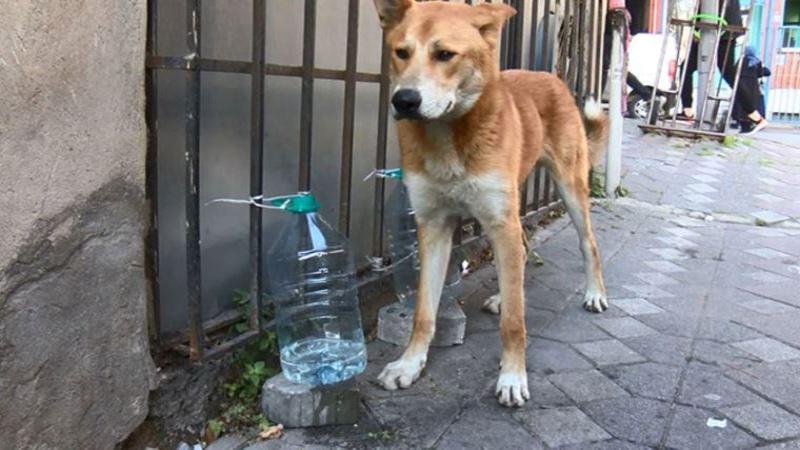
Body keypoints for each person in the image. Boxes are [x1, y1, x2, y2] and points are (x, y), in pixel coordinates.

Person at [677, 0, 768, 134]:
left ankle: (755, 116)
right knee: (687, 68)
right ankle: (688, 112)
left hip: (721, 28)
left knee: (728, 73)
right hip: (711, 26)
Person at [733, 46, 771, 133]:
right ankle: (750, 123)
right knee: (751, 104)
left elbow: (734, 71)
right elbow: (761, 73)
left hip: (741, 84)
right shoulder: (756, 61)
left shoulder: (741, 60)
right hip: (753, 86)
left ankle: (741, 123)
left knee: (741, 104)